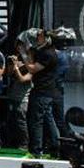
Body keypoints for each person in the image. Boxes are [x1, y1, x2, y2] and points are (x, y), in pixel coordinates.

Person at [19, 29, 60, 158]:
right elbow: (32, 62)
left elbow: (32, 68)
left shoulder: (48, 54)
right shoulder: (43, 52)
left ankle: (36, 150)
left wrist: (23, 54)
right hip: (44, 91)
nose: (37, 38)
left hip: (43, 91)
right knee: (48, 120)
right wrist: (29, 51)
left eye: (40, 36)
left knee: (37, 121)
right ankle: (55, 148)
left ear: (47, 39)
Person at [6, 39, 32, 150]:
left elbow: (22, 79)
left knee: (21, 121)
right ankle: (13, 141)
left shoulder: (30, 65)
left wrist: (17, 67)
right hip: (13, 95)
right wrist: (13, 64)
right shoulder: (19, 61)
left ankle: (24, 144)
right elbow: (8, 74)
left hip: (23, 97)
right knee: (12, 121)